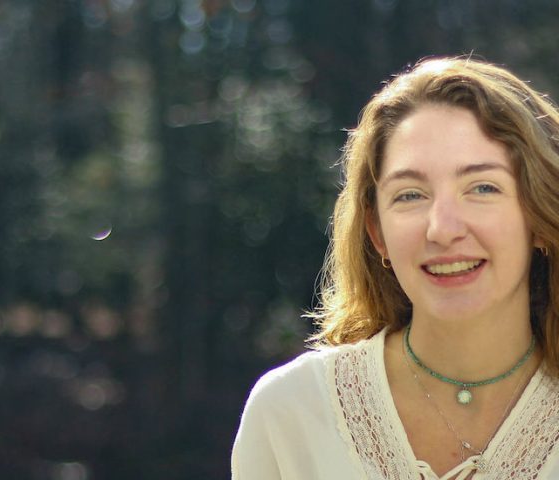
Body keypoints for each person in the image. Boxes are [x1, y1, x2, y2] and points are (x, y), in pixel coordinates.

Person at [231, 56, 559, 479]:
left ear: (538, 213)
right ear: (377, 231)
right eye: (410, 195)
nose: (442, 229)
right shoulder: (290, 412)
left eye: (482, 187)